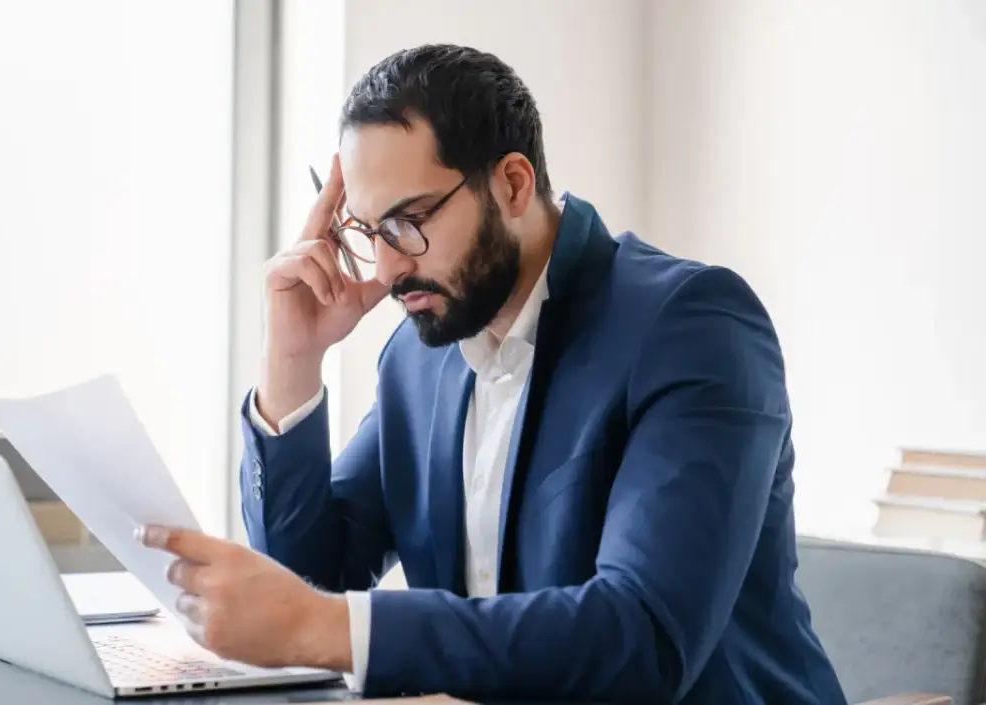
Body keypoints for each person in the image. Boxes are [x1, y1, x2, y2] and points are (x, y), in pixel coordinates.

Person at [136, 44, 847, 704]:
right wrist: (290, 362)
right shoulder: (420, 356)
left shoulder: (691, 325)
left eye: (409, 221)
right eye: (368, 231)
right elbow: (310, 579)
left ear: (511, 183)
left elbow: (643, 637)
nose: (386, 270)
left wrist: (328, 626)